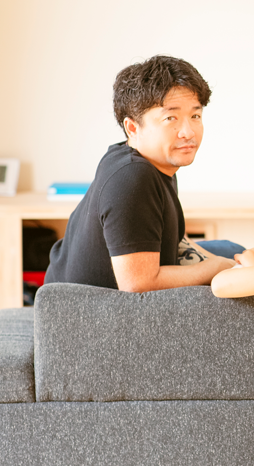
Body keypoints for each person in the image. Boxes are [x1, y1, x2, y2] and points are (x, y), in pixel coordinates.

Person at [44, 55, 235, 292]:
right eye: (170, 118)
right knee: (235, 267)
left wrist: (224, 263)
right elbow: (138, 283)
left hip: (81, 292)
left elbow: (170, 238)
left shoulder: (154, 161)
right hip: (82, 310)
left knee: (232, 251)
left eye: (195, 116)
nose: (188, 132)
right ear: (132, 127)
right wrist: (218, 268)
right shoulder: (133, 177)